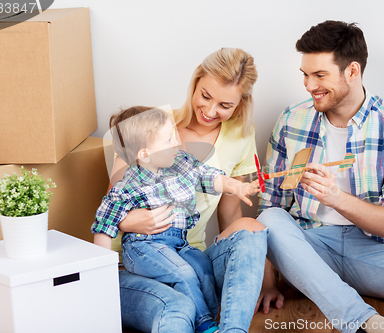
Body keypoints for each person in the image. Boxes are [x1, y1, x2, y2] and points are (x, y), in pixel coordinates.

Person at [256, 20, 384, 333]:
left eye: (319, 75)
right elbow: (271, 205)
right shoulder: (292, 120)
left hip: (372, 250)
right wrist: (269, 282)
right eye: (305, 75)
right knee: (270, 219)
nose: (309, 85)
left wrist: (335, 197)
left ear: (352, 71)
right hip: (308, 246)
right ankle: (366, 324)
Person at [108, 48, 268, 333]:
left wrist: (263, 280)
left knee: (252, 227)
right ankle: (202, 319)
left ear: (240, 103)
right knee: (179, 309)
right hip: (136, 261)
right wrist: (134, 222)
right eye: (205, 96)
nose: (209, 111)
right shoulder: (149, 124)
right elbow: (113, 203)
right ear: (195, 82)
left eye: (224, 105)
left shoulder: (241, 136)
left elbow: (229, 215)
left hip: (187, 255)